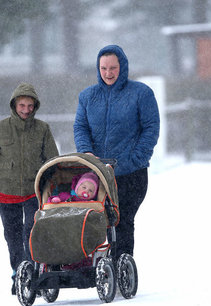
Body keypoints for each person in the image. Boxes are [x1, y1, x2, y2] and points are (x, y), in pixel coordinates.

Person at [73, 44, 160, 263]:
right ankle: (97, 266)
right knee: (95, 221)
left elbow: (151, 127)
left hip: (131, 173)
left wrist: (136, 158)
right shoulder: (87, 96)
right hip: (99, 174)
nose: (108, 73)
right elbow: (81, 127)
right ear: (97, 68)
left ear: (123, 66)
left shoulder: (141, 93)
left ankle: (122, 265)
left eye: (113, 68)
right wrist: (86, 152)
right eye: (103, 68)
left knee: (122, 221)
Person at [0, 82, 59, 294]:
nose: (26, 110)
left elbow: (53, 162)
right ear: (14, 105)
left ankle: (32, 273)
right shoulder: (0, 129)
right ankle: (18, 272)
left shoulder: (42, 129)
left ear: (35, 106)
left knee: (30, 233)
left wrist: (55, 190)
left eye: (30, 106)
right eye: (22, 105)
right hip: (7, 194)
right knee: (12, 236)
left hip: (33, 193)